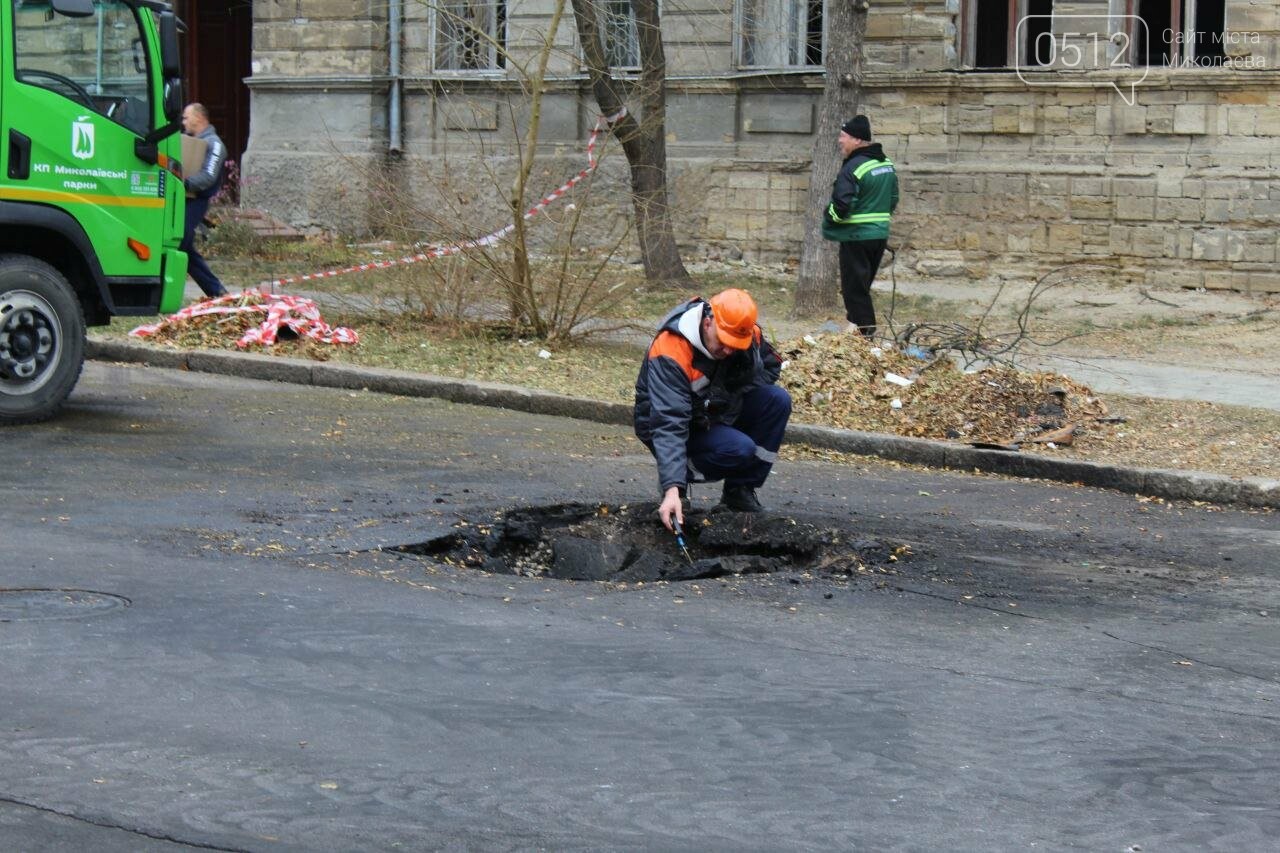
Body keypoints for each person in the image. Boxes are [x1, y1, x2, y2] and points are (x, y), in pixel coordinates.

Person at [633, 288, 792, 531]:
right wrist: (671, 488)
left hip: (712, 413)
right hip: (669, 423)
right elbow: (669, 421)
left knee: (777, 400)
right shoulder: (671, 349)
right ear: (708, 323)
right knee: (739, 449)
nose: (729, 351)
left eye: (735, 346)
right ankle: (679, 480)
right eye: (725, 342)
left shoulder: (748, 334)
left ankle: (739, 492)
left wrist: (727, 395)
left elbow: (770, 367)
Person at [822, 114, 899, 338]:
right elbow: (893, 198)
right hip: (879, 234)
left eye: (843, 136)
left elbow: (842, 204)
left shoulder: (853, 167)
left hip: (856, 236)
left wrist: (830, 217)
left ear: (857, 140)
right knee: (862, 286)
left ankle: (866, 333)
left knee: (854, 288)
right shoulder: (885, 164)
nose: (839, 140)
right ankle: (854, 328)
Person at [180, 103, 229, 299]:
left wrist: (183, 184)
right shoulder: (191, 143)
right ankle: (216, 291)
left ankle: (216, 290)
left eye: (186, 117)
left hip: (196, 201)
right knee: (183, 244)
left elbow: (208, 176)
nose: (183, 122)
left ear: (199, 118)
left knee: (182, 241)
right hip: (184, 198)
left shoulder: (214, 143)